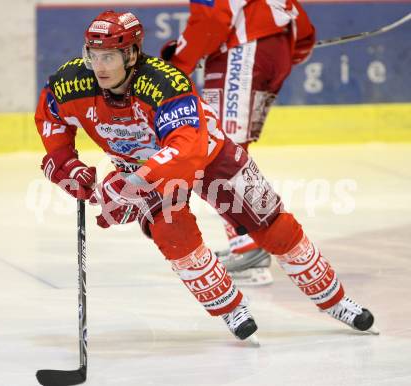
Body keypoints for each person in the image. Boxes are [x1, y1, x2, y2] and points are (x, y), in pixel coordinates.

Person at [35, 10, 378, 342]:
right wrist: (67, 163)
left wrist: (134, 183)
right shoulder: (73, 81)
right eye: (93, 55)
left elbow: (187, 147)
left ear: (132, 53)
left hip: (209, 155)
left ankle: (336, 302)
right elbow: (50, 116)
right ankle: (231, 309)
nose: (99, 66)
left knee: (274, 226)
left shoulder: (163, 82)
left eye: (109, 57)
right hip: (143, 169)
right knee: (174, 234)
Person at [160, 0, 316, 286]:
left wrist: (177, 62)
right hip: (274, 52)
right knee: (230, 147)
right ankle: (250, 239)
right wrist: (295, 46)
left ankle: (248, 244)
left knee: (215, 149)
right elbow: (299, 23)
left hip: (244, 53)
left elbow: (212, 19)